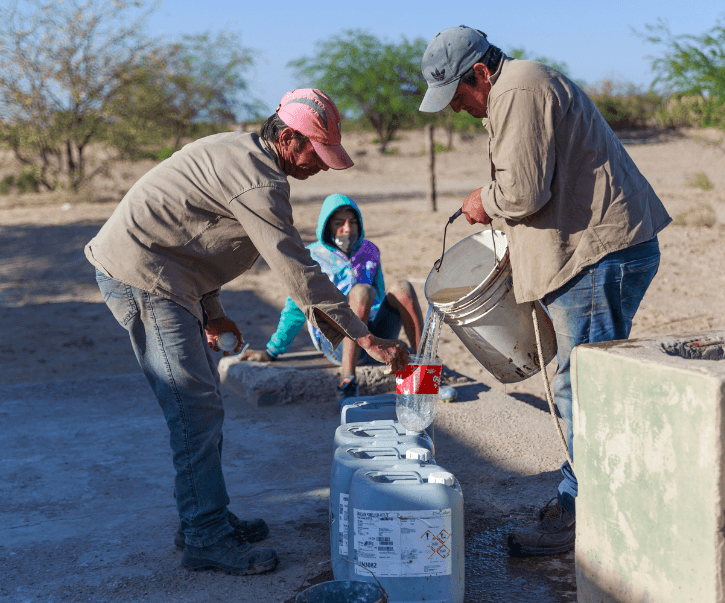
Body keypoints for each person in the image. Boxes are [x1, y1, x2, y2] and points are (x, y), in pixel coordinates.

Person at [85, 89, 409, 575]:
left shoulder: (243, 153)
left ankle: (203, 515)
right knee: (193, 407)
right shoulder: (259, 182)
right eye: (316, 154)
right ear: (290, 138)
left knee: (200, 404)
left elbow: (189, 238)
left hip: (165, 274)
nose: (320, 166)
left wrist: (212, 310)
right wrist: (364, 337)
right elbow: (297, 270)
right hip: (143, 279)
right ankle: (205, 535)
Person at [419, 27, 671, 557]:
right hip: (594, 253)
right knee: (584, 386)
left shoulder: (518, 91)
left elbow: (524, 191)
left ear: (480, 74)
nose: (459, 108)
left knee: (583, 391)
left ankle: (586, 517)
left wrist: (483, 201)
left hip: (596, 256)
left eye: (460, 95)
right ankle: (581, 497)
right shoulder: (515, 90)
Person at [243, 193, 425, 403]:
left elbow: (381, 294)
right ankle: (347, 381)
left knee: (402, 288)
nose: (347, 229)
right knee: (360, 292)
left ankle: (423, 372)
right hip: (336, 341)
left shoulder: (370, 250)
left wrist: (382, 333)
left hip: (373, 334)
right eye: (339, 223)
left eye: (353, 222)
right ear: (327, 226)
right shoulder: (310, 257)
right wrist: (272, 351)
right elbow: (296, 308)